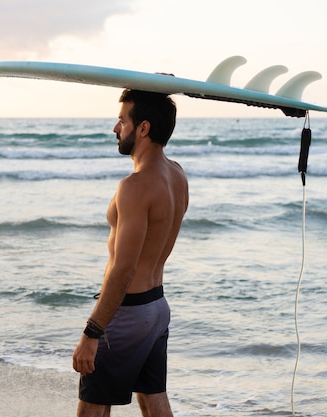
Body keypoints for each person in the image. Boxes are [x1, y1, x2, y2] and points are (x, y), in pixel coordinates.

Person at [72, 88, 189, 417]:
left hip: (127, 315)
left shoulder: (135, 187)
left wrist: (92, 333)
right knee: (153, 400)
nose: (115, 128)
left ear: (143, 128)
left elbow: (123, 269)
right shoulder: (177, 175)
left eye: (122, 121)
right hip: (156, 308)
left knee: (92, 408)